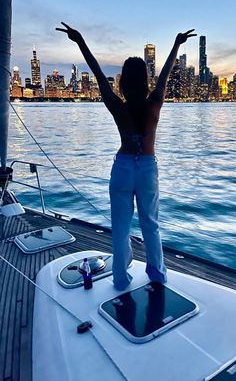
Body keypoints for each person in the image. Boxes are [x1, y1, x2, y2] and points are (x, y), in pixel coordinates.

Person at [56, 22, 196, 290]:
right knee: (151, 225)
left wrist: (80, 41)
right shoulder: (155, 102)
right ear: (144, 81)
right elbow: (165, 74)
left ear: (124, 81)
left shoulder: (116, 106)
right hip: (146, 167)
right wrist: (177, 44)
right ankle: (157, 275)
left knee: (120, 229)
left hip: (122, 167)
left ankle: (121, 279)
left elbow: (97, 72)